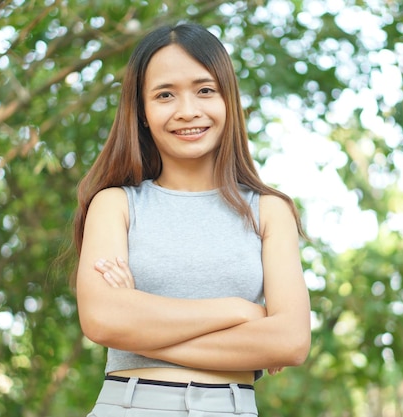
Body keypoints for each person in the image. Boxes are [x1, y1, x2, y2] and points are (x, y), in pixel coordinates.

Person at [71, 22, 311, 416]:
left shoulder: (269, 211)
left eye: (204, 90)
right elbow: (101, 319)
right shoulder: (115, 205)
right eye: (165, 95)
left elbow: (290, 340)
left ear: (227, 101)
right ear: (143, 112)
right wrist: (240, 311)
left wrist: (138, 325)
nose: (187, 111)